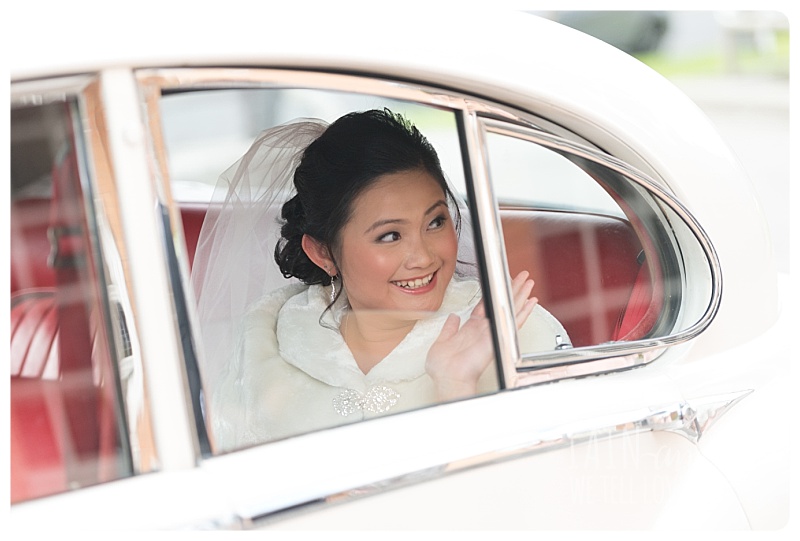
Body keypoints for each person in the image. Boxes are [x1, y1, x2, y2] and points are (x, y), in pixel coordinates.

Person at [193, 109, 569, 451]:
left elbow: (538, 500)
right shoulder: (267, 338)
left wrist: (457, 385)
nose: (424, 257)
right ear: (322, 252)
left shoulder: (515, 332)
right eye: (390, 236)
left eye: (435, 222)